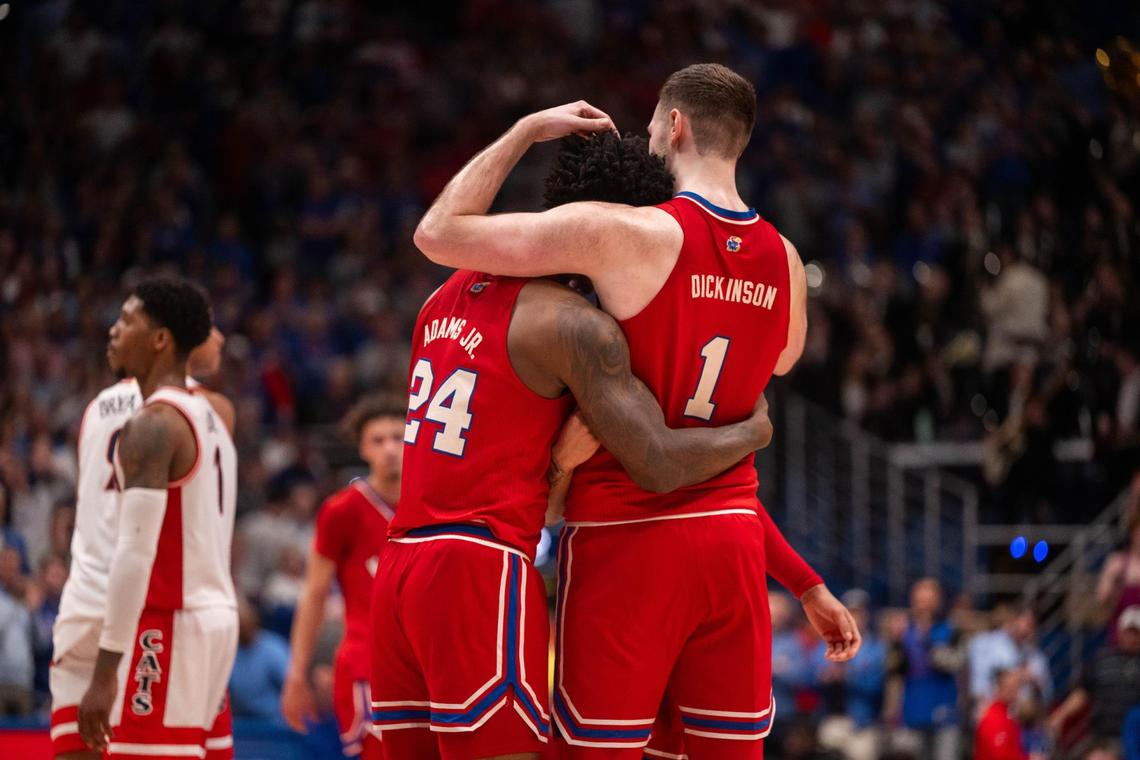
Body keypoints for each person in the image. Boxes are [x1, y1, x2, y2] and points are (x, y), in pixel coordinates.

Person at [413, 63, 858, 757]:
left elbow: (439, 234)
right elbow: (780, 362)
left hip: (627, 540)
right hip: (733, 542)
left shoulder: (627, 232)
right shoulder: (786, 259)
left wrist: (529, 129)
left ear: (674, 125)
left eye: (653, 126)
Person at [371, 129, 778, 760]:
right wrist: (752, 432)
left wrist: (527, 129)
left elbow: (445, 226)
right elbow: (658, 463)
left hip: (400, 564)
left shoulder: (440, 296)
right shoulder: (575, 328)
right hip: (479, 565)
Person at [50, 317, 234, 760]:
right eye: (207, 326)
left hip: (83, 602)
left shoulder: (95, 408)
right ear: (169, 338)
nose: (219, 338)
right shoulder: (208, 411)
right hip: (150, 609)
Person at [282, 394, 404, 759]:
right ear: (363, 448)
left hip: (428, 663)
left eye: (399, 437)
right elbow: (315, 593)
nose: (390, 448)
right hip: (367, 664)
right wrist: (297, 673)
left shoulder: (434, 504)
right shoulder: (341, 511)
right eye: (379, 440)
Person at [1051, 605, 1140, 751]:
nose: (1132, 637)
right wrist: (1060, 715)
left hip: (1136, 740)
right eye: (1128, 632)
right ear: (1120, 632)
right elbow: (1083, 693)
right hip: (1103, 737)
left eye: (1136, 632)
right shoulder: (1102, 660)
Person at [892, 578, 963, 760]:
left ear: (937, 601)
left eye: (928, 601)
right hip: (913, 710)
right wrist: (896, 643)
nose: (923, 606)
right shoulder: (904, 631)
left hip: (944, 712)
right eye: (919, 601)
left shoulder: (951, 629)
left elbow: (955, 664)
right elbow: (895, 670)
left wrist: (927, 639)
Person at [814, 589, 887, 760]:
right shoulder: (829, 641)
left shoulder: (876, 646)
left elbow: (877, 685)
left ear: (867, 615)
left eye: (858, 612)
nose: (853, 617)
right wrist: (824, 676)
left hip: (863, 722)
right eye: (849, 612)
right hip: (832, 717)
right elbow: (811, 674)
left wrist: (848, 676)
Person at [968, 603, 1052, 712]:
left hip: (1024, 717)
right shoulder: (985, 643)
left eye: (1031, 626)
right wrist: (1014, 678)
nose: (1026, 630)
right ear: (1013, 620)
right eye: (1025, 623)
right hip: (992, 711)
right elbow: (978, 688)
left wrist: (1035, 682)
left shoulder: (1035, 656)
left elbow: (1047, 694)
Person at [229, 598, 289, 724]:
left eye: (247, 624)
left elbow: (288, 686)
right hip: (240, 723)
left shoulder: (273, 648)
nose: (244, 629)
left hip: (273, 723)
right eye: (241, 626)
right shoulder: (229, 651)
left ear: (255, 624)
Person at [974, 668, 1037, 760]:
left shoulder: (1007, 715)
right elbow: (1000, 756)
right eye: (1014, 687)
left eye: (1018, 687)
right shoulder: (994, 718)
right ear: (1003, 687)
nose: (1017, 692)